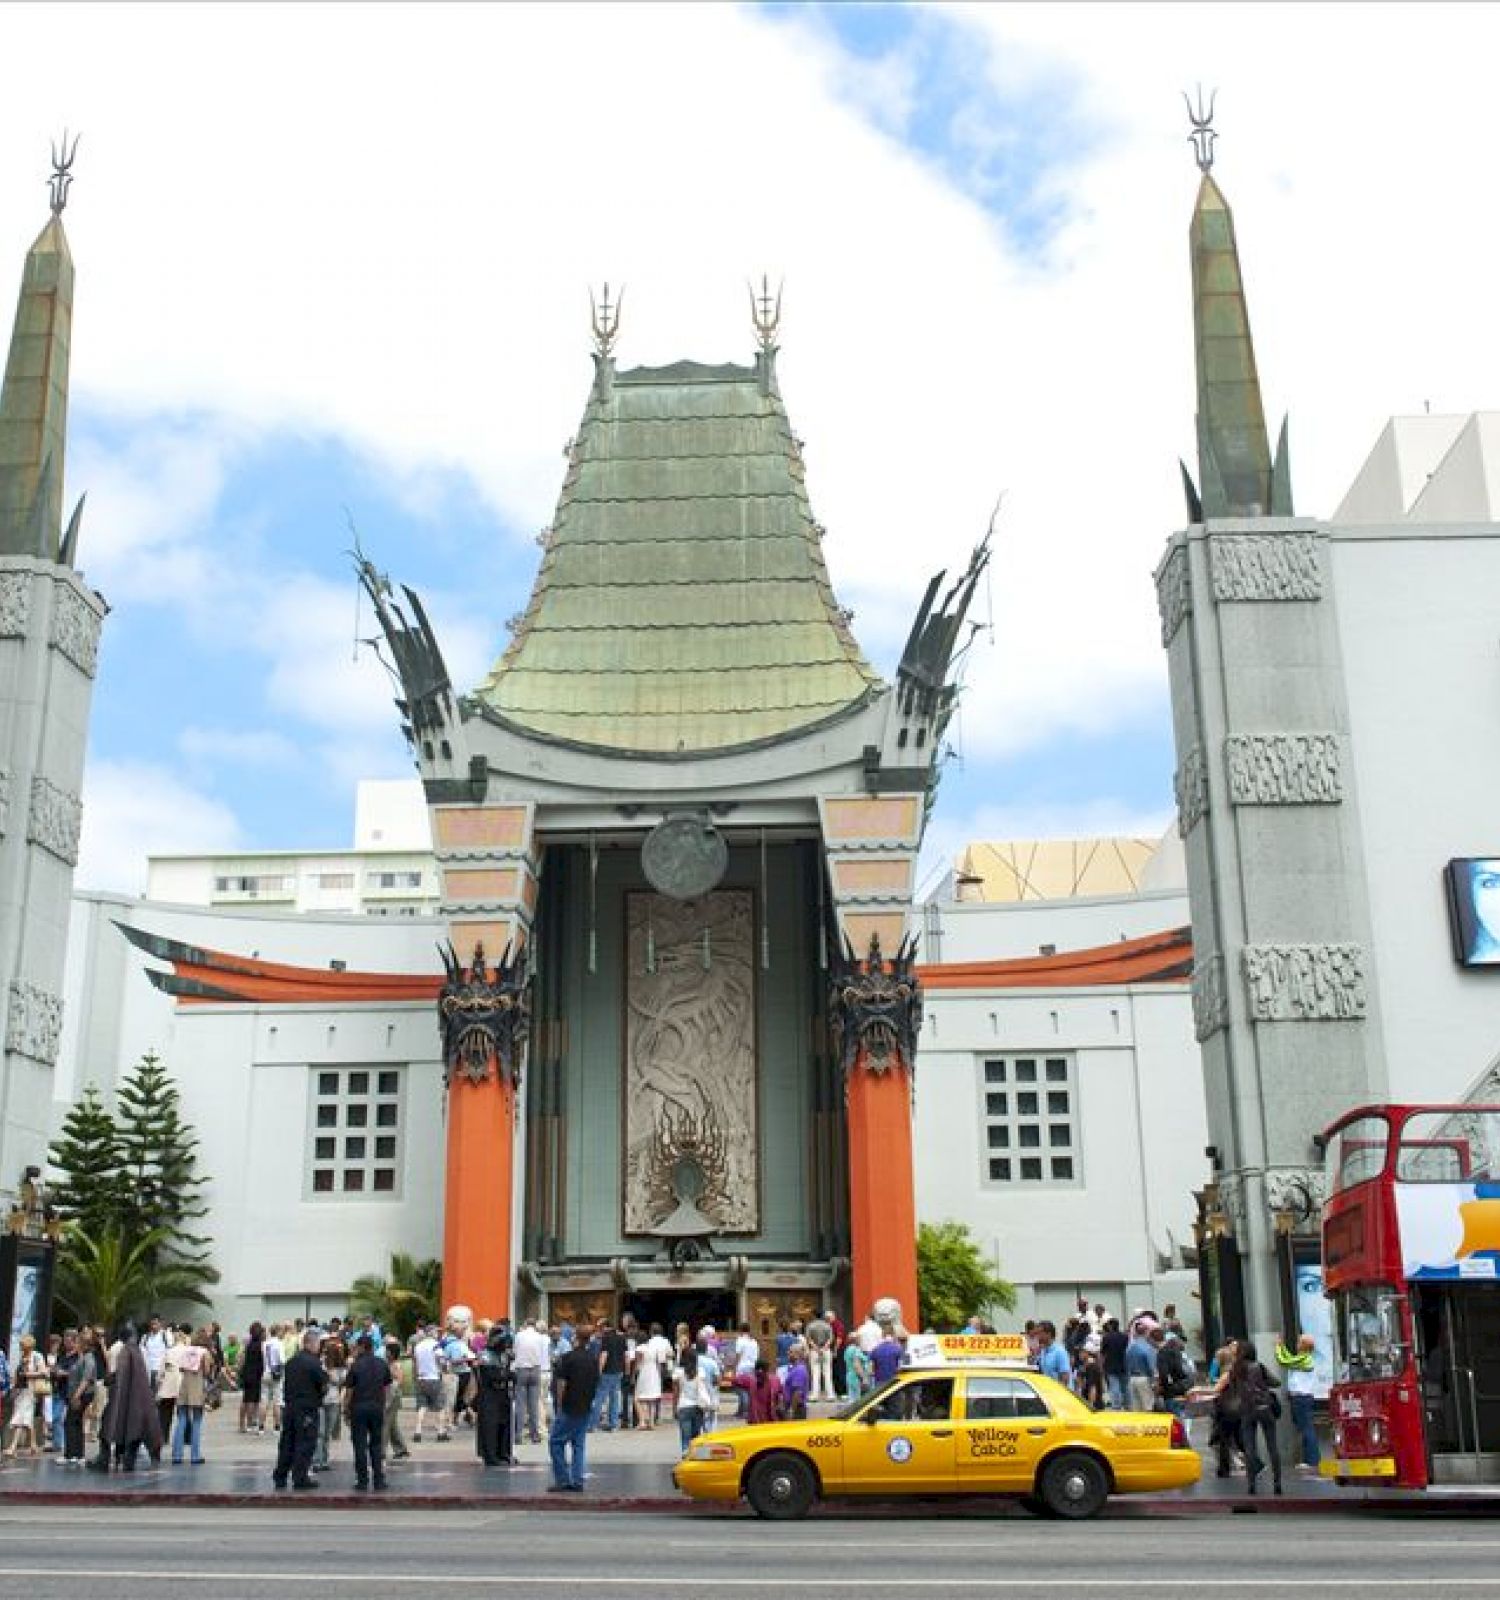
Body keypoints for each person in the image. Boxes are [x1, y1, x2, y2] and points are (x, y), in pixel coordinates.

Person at [94, 1325, 161, 1471]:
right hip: (138, 1399)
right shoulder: (136, 1350)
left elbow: (121, 1374)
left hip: (128, 1400)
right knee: (132, 1430)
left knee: (112, 1427)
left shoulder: (127, 1351)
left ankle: (109, 1459)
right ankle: (123, 1459)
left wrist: (110, 1380)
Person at [1225, 1341, 1283, 1495]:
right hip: (1264, 1409)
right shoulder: (1259, 1366)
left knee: (1250, 1448)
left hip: (1246, 1411)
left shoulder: (1235, 1370)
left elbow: (1232, 1388)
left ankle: (1251, 1484)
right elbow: (1276, 1382)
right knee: (1272, 1446)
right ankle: (1277, 1482)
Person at [273, 1330, 328, 1490]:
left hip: (290, 1407)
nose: (319, 1348)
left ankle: (280, 1475)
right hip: (307, 1408)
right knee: (305, 1442)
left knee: (287, 1442)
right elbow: (323, 1382)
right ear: (310, 1343)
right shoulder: (313, 1363)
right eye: (317, 1344)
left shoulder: (291, 1362)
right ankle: (300, 1477)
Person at [549, 1321, 599, 1492]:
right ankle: (577, 1479)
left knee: (556, 1442)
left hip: (569, 1406)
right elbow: (595, 1383)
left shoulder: (567, 1358)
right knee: (579, 1444)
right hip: (585, 1406)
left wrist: (560, 1404)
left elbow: (561, 1384)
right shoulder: (593, 1359)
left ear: (575, 1338)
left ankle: (562, 1479)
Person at [343, 1333, 393, 1490]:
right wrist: (384, 1405)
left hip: (359, 1408)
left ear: (362, 1347)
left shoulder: (356, 1366)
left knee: (359, 1444)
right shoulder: (382, 1363)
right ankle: (378, 1479)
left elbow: (349, 1390)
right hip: (377, 1407)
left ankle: (362, 1480)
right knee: (376, 1444)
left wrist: (346, 1409)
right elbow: (387, 1387)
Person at [1277, 1332, 1321, 1473]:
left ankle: (1312, 1460)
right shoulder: (1302, 1359)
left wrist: (1278, 1347)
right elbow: (1289, 1359)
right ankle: (1310, 1459)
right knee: (1305, 1428)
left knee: (1307, 1428)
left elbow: (1284, 1361)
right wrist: (1282, 1346)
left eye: (1299, 1342)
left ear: (1303, 1345)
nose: (1296, 1344)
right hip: (1300, 1398)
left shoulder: (1305, 1360)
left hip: (1302, 1398)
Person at [169, 1330, 214, 1465]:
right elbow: (206, 1371)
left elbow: (181, 1369)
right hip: (198, 1387)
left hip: (184, 1387)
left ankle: (177, 1455)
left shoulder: (187, 1351)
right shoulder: (205, 1353)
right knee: (197, 1421)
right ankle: (195, 1455)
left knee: (181, 1420)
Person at [475, 1324, 516, 1467]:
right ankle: (491, 1456)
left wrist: (509, 1375)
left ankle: (503, 1452)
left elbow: (507, 1371)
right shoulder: (485, 1355)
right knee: (490, 1425)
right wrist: (507, 1375)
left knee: (504, 1423)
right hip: (489, 1394)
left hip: (503, 1393)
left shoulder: (504, 1355)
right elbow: (490, 1376)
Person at [62, 1328, 100, 1466]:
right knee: (75, 1423)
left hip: (82, 1394)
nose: (76, 1345)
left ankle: (71, 1454)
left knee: (71, 1422)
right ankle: (77, 1454)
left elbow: (86, 1379)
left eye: (79, 1343)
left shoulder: (89, 1358)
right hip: (77, 1393)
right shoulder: (82, 1357)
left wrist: (76, 1396)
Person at [5, 1334, 45, 1457]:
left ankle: (12, 1447)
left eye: (23, 1346)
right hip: (21, 1390)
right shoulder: (23, 1357)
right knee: (26, 1417)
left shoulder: (37, 1356)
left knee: (20, 1417)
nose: (21, 1348)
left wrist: (29, 1374)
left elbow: (44, 1372)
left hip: (30, 1390)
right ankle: (33, 1445)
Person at [312, 1335, 347, 1473]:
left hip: (333, 1400)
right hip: (321, 1401)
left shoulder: (341, 1368)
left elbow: (343, 1382)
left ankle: (324, 1459)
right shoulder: (319, 1363)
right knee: (320, 1432)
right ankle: (317, 1460)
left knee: (326, 1433)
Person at [511, 1317, 547, 1444]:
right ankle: (534, 1435)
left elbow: (514, 1351)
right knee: (534, 1404)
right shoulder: (540, 1337)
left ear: (525, 1324)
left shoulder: (519, 1335)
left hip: (522, 1368)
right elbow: (543, 1355)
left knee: (520, 1404)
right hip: (536, 1369)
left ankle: (518, 1434)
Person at [411, 1324, 447, 1442]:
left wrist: (415, 1377)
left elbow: (415, 1363)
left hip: (421, 1379)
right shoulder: (436, 1346)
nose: (438, 1334)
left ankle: (417, 1431)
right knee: (440, 1406)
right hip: (434, 1378)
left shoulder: (418, 1346)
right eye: (437, 1332)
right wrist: (444, 1369)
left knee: (421, 1406)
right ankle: (441, 1432)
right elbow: (441, 1360)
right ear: (431, 1332)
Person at [592, 1317, 628, 1432]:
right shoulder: (622, 1338)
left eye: (599, 1327)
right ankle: (613, 1424)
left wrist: (599, 1371)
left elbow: (604, 1356)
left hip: (607, 1372)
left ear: (604, 1327)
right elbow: (625, 1356)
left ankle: (593, 1424)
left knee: (599, 1398)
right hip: (618, 1371)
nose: (598, 1330)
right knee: (614, 1398)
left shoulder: (606, 1338)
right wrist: (625, 1371)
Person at [672, 1346, 711, 1451]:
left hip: (683, 1406)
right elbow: (703, 1389)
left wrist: (674, 1408)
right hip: (698, 1406)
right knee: (696, 1436)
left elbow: (676, 1393)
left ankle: (685, 1456)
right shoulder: (700, 1371)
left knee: (685, 1437)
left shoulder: (678, 1372)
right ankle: (695, 1457)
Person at [382, 1338, 410, 1461]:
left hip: (392, 1395)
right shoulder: (388, 1364)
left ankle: (381, 1450)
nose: (385, 1353)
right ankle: (401, 1449)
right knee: (392, 1424)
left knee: (386, 1423)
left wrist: (391, 1388)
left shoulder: (395, 1365)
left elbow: (400, 1380)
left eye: (387, 1351)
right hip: (389, 1394)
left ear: (392, 1353)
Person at [238, 1322, 266, 1434]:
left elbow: (242, 1359)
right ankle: (250, 1422)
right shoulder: (261, 1345)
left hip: (247, 1373)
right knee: (253, 1400)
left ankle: (242, 1423)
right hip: (256, 1374)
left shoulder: (248, 1344)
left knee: (246, 1399)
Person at [1124, 1320, 1159, 1411]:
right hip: (1144, 1378)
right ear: (1146, 1332)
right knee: (1148, 1405)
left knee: (1136, 1408)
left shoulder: (1130, 1348)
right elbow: (1151, 1367)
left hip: (1132, 1379)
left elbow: (1126, 1364)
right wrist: (1154, 1381)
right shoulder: (1148, 1348)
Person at [805, 1312, 835, 1403]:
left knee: (815, 1373)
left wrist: (817, 1349)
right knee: (827, 1373)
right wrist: (824, 1348)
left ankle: (815, 1395)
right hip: (826, 1351)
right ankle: (830, 1395)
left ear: (813, 1316)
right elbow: (830, 1339)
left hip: (815, 1351)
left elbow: (809, 1339)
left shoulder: (810, 1326)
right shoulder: (827, 1326)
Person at [1035, 1321, 1073, 1390]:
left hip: (1060, 1395)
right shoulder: (1043, 1351)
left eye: (1040, 1333)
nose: (1037, 1337)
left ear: (1048, 1334)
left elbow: (1065, 1378)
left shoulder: (1059, 1352)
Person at [747, 1358, 784, 1425]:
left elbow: (780, 1394)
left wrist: (780, 1407)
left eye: (762, 1369)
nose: (760, 1371)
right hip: (756, 1421)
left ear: (767, 1371)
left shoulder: (775, 1381)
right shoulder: (751, 1381)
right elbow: (734, 1379)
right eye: (758, 1369)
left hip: (771, 1420)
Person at [782, 1342, 811, 1420]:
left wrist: (791, 1410)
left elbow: (797, 1392)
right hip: (794, 1407)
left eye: (790, 1352)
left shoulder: (799, 1370)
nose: (788, 1353)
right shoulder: (795, 1368)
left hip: (797, 1409)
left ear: (797, 1355)